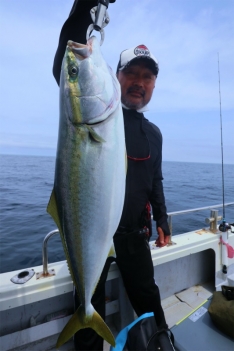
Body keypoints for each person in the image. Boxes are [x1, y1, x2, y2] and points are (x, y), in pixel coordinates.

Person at [53, 1, 172, 350]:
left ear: (153, 85)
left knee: (148, 299)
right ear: (115, 77)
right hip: (93, 234)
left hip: (134, 234)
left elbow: (156, 180)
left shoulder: (154, 134)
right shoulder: (98, 110)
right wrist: (85, 8)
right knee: (87, 299)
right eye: (131, 74)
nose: (139, 83)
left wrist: (163, 218)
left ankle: (161, 343)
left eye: (147, 77)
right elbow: (69, 62)